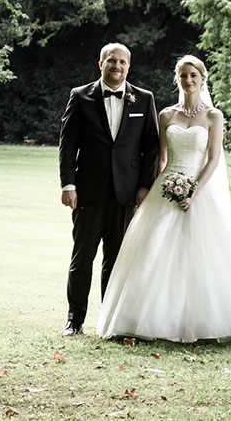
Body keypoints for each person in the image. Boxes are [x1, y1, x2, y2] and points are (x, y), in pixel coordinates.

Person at [97, 54, 231, 343]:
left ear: (203, 79)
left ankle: (209, 323)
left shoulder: (214, 116)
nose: (188, 80)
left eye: (193, 75)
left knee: (205, 256)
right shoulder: (166, 115)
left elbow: (213, 160)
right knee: (152, 252)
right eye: (183, 75)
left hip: (201, 190)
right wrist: (157, 190)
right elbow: (160, 158)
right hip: (167, 187)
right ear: (178, 79)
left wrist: (193, 191)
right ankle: (144, 321)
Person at [58, 42, 160, 336]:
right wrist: (68, 184)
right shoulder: (80, 97)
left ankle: (110, 322)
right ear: (100, 64)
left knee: (116, 262)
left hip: (126, 194)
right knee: (82, 258)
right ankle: (74, 321)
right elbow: (68, 147)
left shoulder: (144, 98)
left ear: (129, 66)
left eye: (123, 62)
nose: (117, 66)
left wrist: (144, 187)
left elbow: (151, 148)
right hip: (87, 193)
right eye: (111, 61)